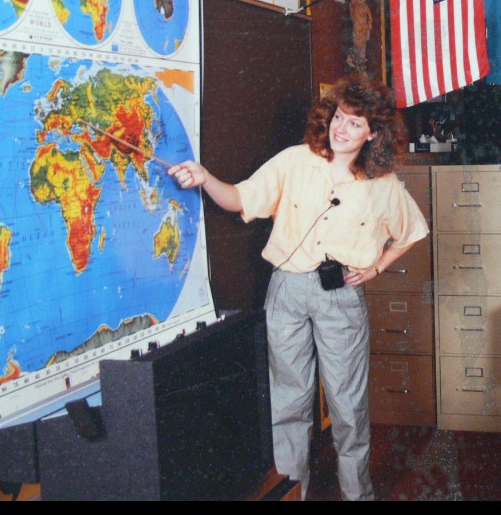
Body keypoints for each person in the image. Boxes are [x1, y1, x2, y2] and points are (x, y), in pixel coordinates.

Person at [169, 73, 428, 501]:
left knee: (347, 406)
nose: (341, 129)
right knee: (288, 401)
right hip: (287, 291)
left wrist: (377, 267)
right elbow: (240, 198)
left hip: (340, 296)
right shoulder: (294, 160)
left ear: (373, 134)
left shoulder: (382, 184)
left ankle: (356, 496)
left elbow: (412, 232)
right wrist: (205, 177)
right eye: (339, 118)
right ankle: (294, 492)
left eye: (354, 123)